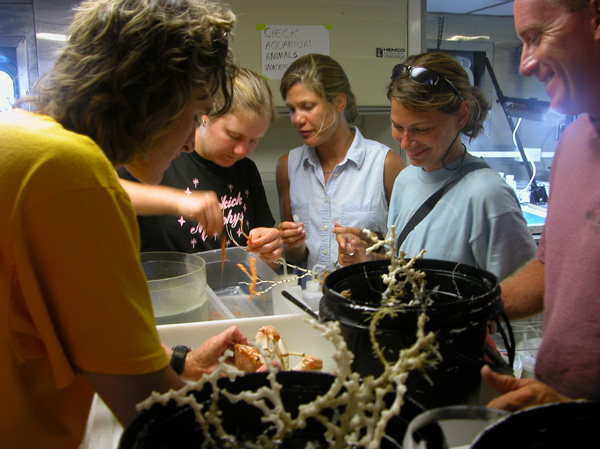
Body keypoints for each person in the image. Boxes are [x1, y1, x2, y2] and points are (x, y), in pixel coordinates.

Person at [0, 1, 257, 447]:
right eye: (196, 112)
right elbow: (151, 411)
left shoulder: (23, 141)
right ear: (154, 97)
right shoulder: (71, 173)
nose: (186, 140)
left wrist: (176, 361)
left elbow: (76, 329)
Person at [481, 0, 600, 411]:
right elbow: (553, 268)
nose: (526, 64)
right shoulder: (573, 140)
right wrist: (468, 310)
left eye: (536, 37)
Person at [335, 52, 537, 283]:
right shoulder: (406, 180)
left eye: (421, 129)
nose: (405, 142)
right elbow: (405, 273)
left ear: (461, 116)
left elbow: (522, 303)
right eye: (397, 126)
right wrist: (369, 258)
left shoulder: (488, 196)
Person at [118, 68, 283, 264]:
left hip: (233, 292)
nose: (241, 151)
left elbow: (265, 262)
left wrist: (270, 251)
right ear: (204, 115)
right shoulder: (162, 159)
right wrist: (177, 201)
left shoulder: (246, 170)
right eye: (233, 136)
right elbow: (105, 190)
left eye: (253, 141)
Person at [276, 53, 405, 274]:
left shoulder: (385, 164)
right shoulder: (288, 167)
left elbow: (404, 253)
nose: (297, 119)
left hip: (366, 299)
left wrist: (369, 252)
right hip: (309, 301)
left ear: (339, 102)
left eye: (307, 106)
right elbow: (294, 258)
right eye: (292, 109)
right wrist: (294, 244)